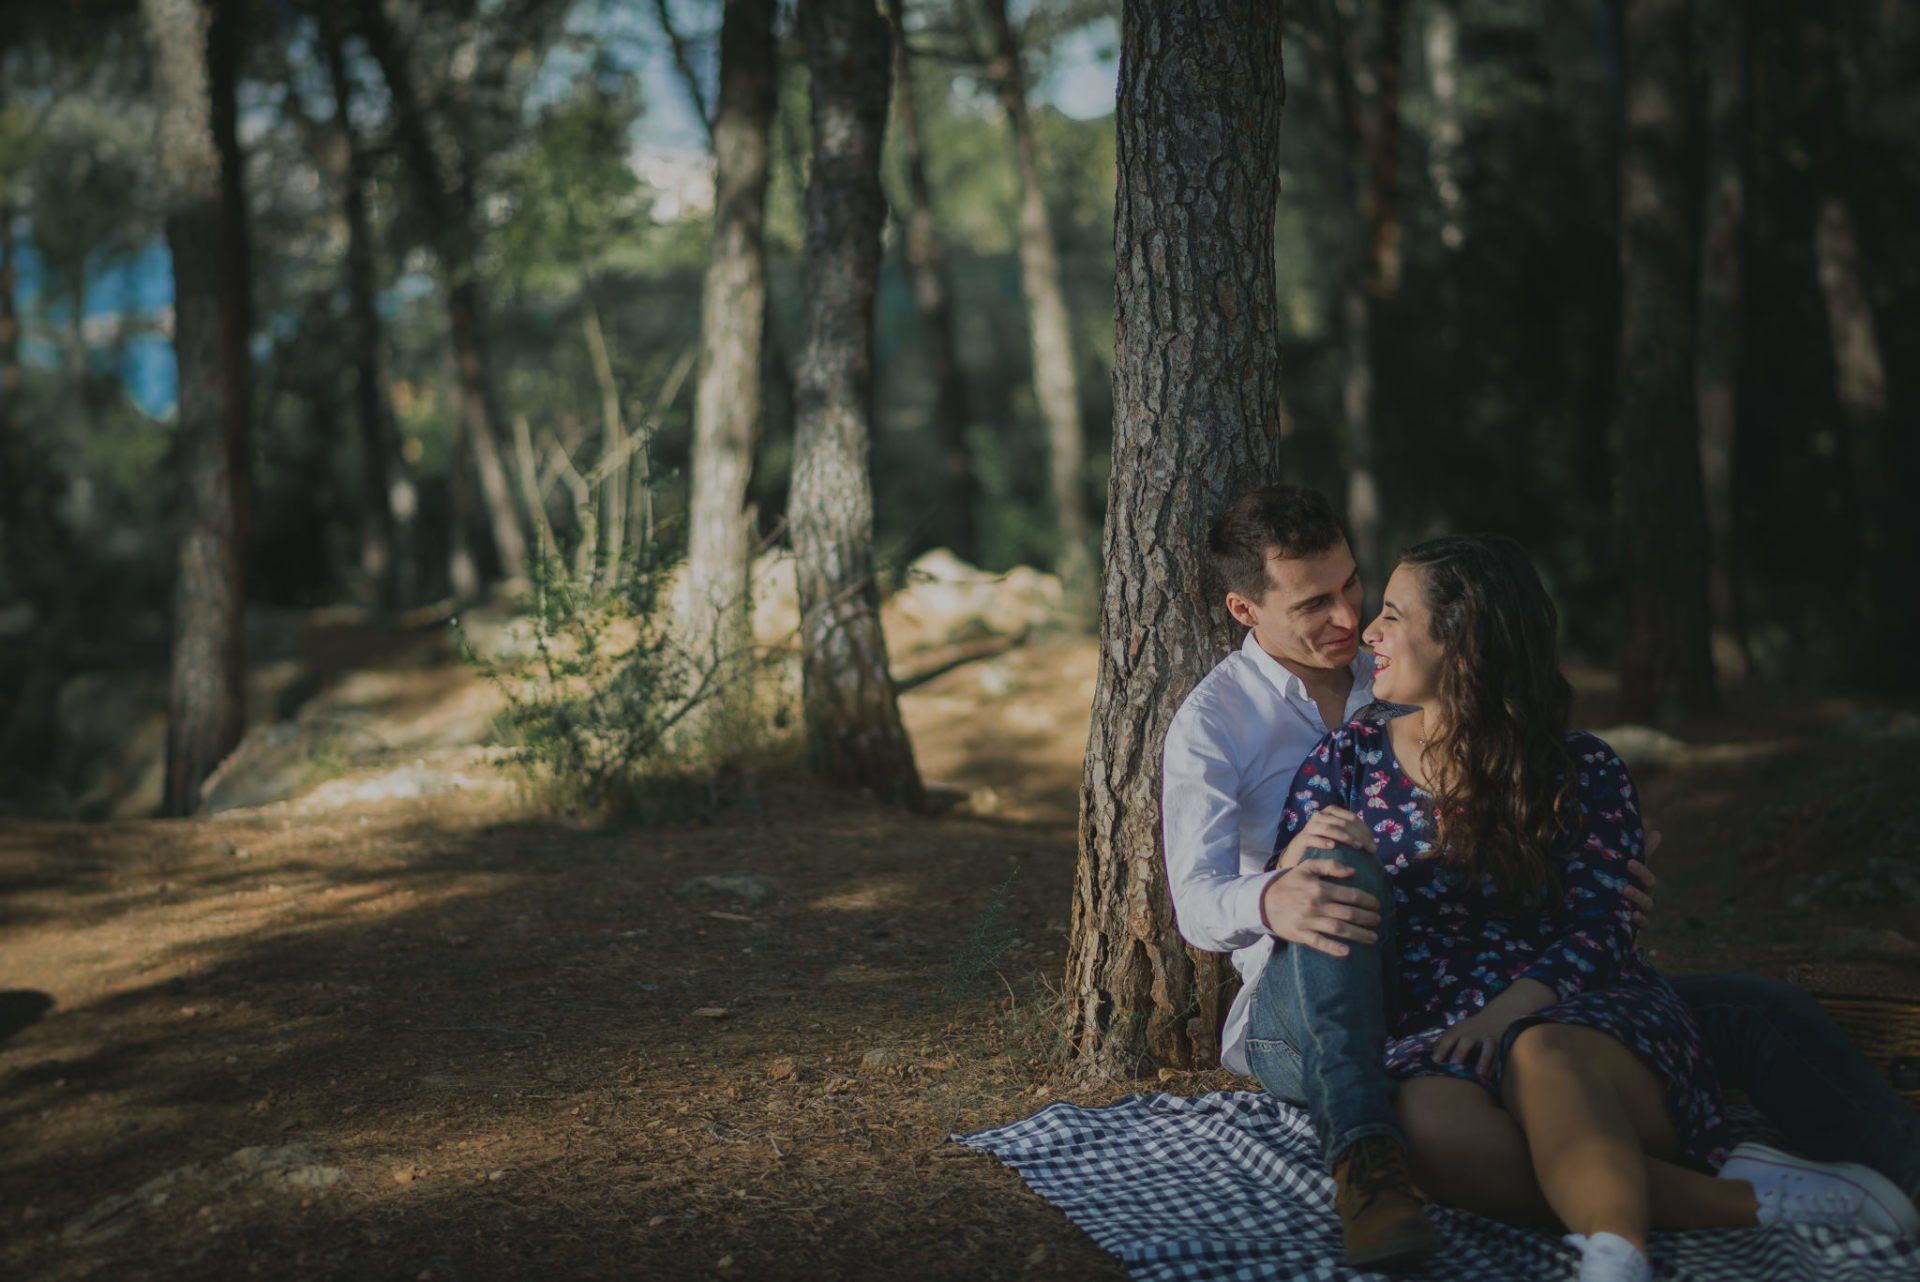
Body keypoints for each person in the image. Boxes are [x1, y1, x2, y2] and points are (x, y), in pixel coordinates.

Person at [1158, 485, 1920, 1273]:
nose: (1352, 620)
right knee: (1343, 896)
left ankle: (1883, 1176)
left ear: (1462, 645)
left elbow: (1582, 889)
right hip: (1323, 1006)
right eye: (1316, 603)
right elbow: (1199, 905)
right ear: (1246, 610)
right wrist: (1275, 889)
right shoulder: (1232, 726)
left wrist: (1599, 864)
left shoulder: (1514, 738)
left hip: (1508, 995)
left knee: (1748, 1012)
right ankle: (1369, 1157)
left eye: (1357, 588)